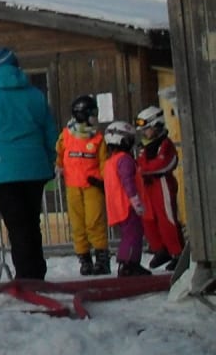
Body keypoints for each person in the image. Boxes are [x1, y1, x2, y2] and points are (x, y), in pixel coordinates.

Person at [0, 46, 59, 282]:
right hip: (35, 168)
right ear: (17, 67)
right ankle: (37, 273)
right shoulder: (35, 95)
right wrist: (48, 161)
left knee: (16, 225)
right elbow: (50, 133)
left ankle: (25, 276)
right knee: (32, 222)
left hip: (3, 170)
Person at [57, 95, 110, 275]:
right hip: (73, 187)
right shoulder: (66, 135)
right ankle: (84, 259)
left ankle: (102, 259)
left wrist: (103, 180)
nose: (95, 117)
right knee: (78, 225)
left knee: (95, 222)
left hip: (92, 186)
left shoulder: (97, 138)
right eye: (92, 113)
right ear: (82, 115)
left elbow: (103, 162)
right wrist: (57, 167)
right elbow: (59, 154)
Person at [134, 105, 185, 272]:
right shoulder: (145, 146)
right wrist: (145, 168)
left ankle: (177, 252)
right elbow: (141, 164)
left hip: (162, 185)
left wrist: (145, 169)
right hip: (148, 186)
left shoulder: (165, 144)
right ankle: (160, 249)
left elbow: (163, 163)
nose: (144, 133)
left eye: (147, 129)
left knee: (167, 219)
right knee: (149, 219)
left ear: (156, 126)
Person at [101, 121, 150, 278]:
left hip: (117, 207)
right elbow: (127, 181)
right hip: (127, 205)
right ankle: (129, 264)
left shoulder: (110, 162)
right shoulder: (125, 160)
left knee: (128, 234)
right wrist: (135, 200)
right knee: (133, 234)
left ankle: (127, 262)